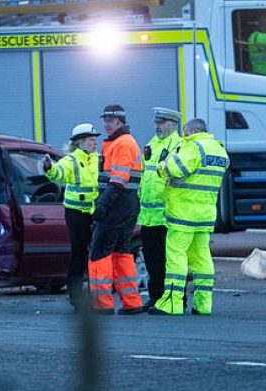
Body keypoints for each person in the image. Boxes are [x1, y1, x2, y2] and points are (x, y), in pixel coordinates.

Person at [150, 118, 229, 316]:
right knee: (202, 258)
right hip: (205, 214)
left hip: (183, 213)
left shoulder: (193, 147)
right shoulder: (219, 150)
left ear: (191, 131)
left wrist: (162, 165)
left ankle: (172, 304)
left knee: (176, 257)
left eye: (185, 133)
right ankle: (203, 304)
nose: (183, 136)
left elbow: (174, 169)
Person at [87, 104, 145, 315]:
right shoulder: (119, 143)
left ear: (120, 122)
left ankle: (103, 304)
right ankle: (131, 302)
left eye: (110, 121)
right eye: (105, 120)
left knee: (100, 252)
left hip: (117, 203)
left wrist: (102, 205)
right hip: (126, 204)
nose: (106, 124)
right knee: (122, 253)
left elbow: (118, 181)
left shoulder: (122, 144)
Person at [43, 123, 100, 310]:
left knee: (94, 255)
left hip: (94, 212)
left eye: (94, 140)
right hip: (76, 213)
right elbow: (59, 174)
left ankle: (95, 294)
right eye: (91, 140)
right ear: (80, 142)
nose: (94, 143)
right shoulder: (71, 160)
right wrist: (49, 168)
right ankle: (76, 296)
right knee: (79, 254)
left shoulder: (97, 159)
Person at [137, 107, 181, 308]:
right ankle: (155, 296)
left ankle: (171, 298)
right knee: (152, 260)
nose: (158, 126)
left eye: (161, 123)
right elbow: (146, 175)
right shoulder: (151, 144)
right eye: (156, 123)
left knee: (168, 261)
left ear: (172, 124)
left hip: (167, 214)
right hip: (149, 215)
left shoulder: (178, 146)